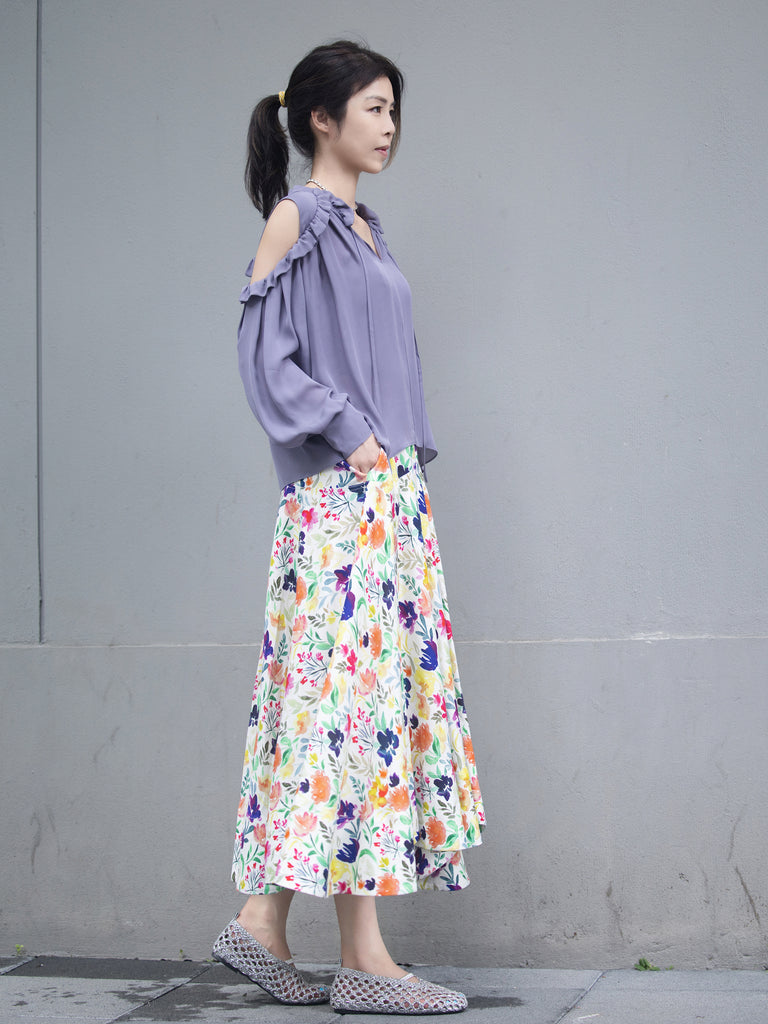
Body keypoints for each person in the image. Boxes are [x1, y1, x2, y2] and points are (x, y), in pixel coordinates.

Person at [213, 40, 486, 1015]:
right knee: (350, 710)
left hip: (385, 496)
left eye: (393, 109)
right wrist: (352, 433)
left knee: (345, 711)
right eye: (373, 107)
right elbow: (264, 354)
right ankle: (362, 958)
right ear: (321, 119)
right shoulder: (299, 218)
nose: (389, 125)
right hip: (342, 499)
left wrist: (394, 462)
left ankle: (263, 922)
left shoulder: (366, 227)